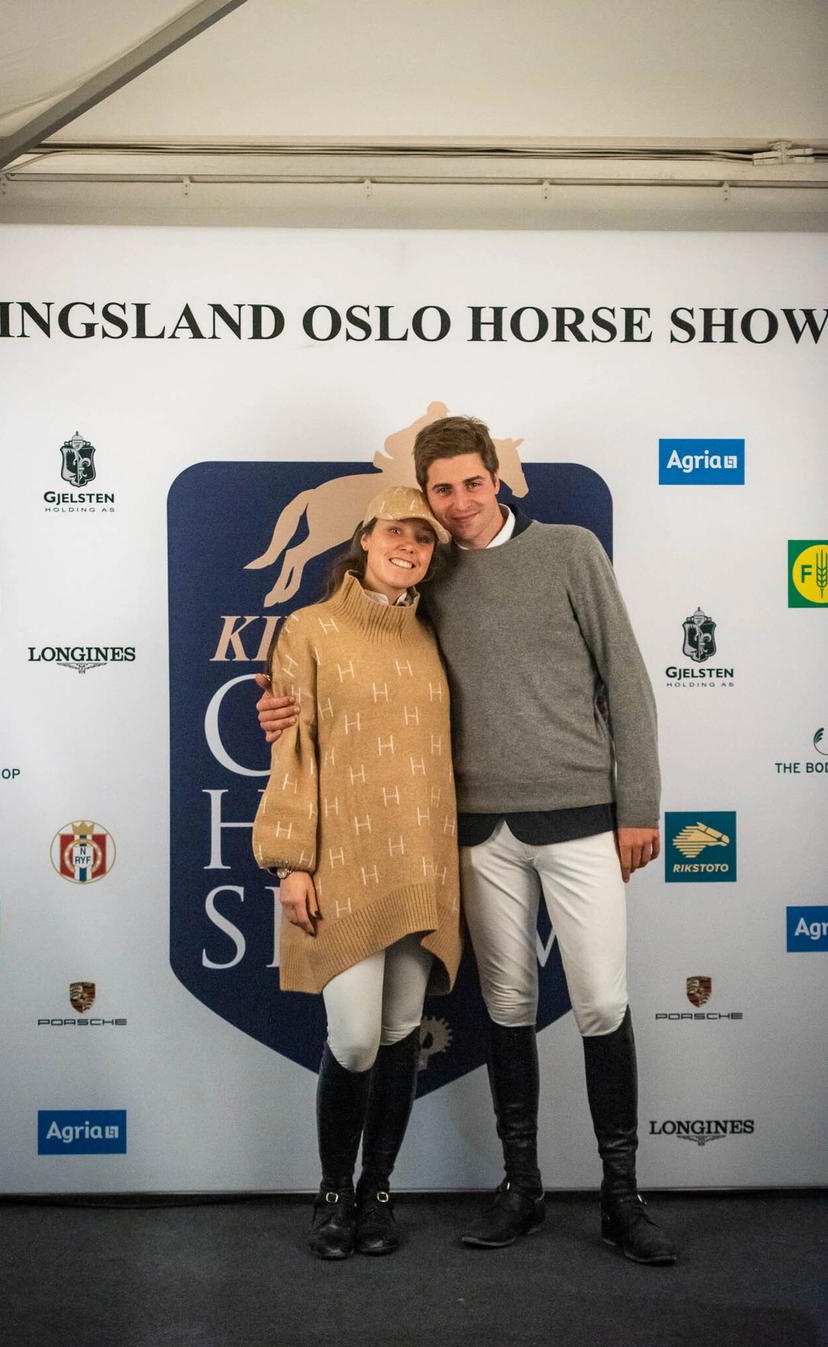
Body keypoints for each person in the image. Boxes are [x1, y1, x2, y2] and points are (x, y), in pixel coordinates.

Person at [257, 416, 676, 1266]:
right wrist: (283, 712)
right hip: (476, 830)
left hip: (578, 812)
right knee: (508, 1005)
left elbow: (627, 679)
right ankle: (521, 1186)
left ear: (498, 479)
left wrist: (639, 804)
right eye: (439, 490)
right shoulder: (427, 577)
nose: (455, 504)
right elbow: (344, 669)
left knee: (601, 1001)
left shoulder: (569, 551)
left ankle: (621, 1197)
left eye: (470, 483)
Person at [251, 484, 461, 1260]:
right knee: (357, 1037)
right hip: (341, 863)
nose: (409, 546)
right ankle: (333, 1191)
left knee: (402, 1030)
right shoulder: (309, 628)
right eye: (397, 531)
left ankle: (378, 1191)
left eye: (425, 538)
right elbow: (292, 752)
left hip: (424, 861)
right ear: (365, 536)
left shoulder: (434, 633)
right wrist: (291, 861)